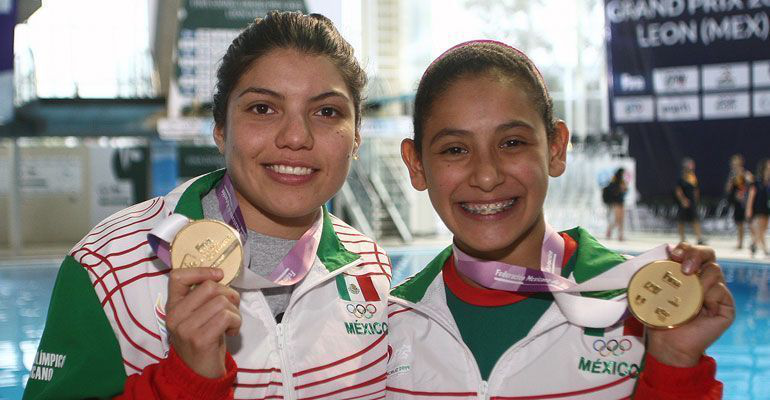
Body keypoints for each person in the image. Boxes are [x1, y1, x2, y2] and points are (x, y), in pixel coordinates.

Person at [24, 12, 391, 400]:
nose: (296, 137)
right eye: (263, 108)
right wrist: (182, 380)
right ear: (220, 129)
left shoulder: (374, 273)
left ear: (355, 138)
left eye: (326, 111)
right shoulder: (107, 267)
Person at [388, 40, 733, 399]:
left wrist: (675, 362)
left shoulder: (631, 306)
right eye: (455, 149)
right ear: (416, 164)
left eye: (512, 143)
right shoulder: (392, 322)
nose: (486, 176)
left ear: (555, 148)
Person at [725, 154, 752, 249]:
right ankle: (740, 242)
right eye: (733, 164)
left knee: (749, 222)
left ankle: (754, 241)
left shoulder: (745, 174)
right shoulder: (732, 175)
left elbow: (752, 184)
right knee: (739, 222)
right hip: (737, 203)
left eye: (736, 163)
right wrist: (731, 181)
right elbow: (728, 189)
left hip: (746, 202)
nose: (734, 165)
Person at [675, 157, 705, 244]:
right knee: (681, 221)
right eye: (690, 165)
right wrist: (683, 200)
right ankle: (682, 239)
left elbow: (696, 190)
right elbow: (678, 191)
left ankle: (699, 238)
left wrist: (696, 201)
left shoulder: (693, 177)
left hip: (692, 203)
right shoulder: (681, 177)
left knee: (695, 220)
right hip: (684, 203)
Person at [746, 158, 770, 257]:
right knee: (759, 229)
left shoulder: (768, 182)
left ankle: (754, 244)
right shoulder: (757, 181)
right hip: (758, 208)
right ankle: (764, 249)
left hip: (767, 208)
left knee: (763, 229)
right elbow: (751, 196)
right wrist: (749, 209)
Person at [603, 167, 628, 241]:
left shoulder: (622, 181)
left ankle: (620, 235)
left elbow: (625, 189)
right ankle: (610, 230)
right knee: (617, 220)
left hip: (621, 202)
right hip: (616, 203)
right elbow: (613, 190)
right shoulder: (615, 181)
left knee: (621, 220)